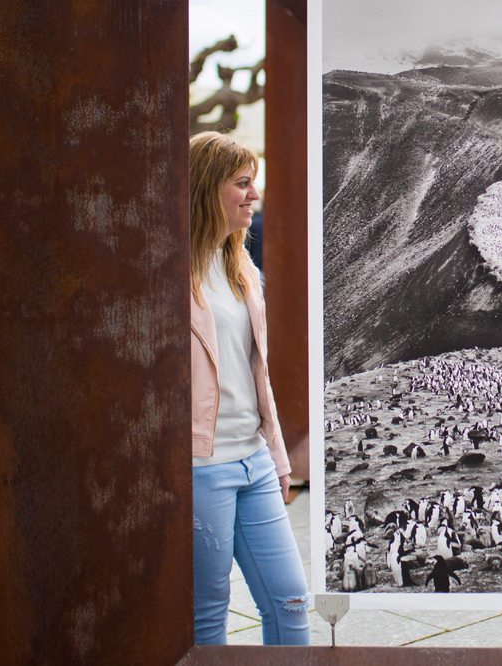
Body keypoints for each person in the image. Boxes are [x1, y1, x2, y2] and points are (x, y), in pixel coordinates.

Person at [189, 132, 310, 645]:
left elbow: (258, 375)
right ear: (205, 190)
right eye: (242, 184)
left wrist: (278, 457)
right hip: (201, 470)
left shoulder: (241, 269)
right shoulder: (169, 272)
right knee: (207, 617)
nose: (254, 196)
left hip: (254, 462)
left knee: (291, 603)